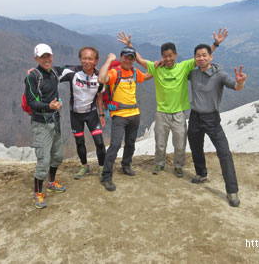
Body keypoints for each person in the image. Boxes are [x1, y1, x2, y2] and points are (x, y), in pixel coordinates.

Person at [118, 29, 228, 177]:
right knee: (160, 143)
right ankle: (159, 163)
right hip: (162, 112)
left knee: (180, 144)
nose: (168, 59)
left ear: (175, 55)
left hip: (179, 113)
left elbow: (202, 57)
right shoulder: (157, 68)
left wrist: (215, 44)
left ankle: (178, 165)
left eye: (170, 56)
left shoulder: (183, 67)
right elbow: (140, 60)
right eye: (165, 56)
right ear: (162, 57)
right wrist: (130, 45)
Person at [187, 44, 246, 207]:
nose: (201, 58)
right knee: (195, 146)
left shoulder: (219, 74)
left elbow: (234, 85)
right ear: (194, 58)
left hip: (212, 118)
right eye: (198, 55)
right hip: (194, 116)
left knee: (224, 152)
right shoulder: (192, 73)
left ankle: (232, 191)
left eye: (204, 55)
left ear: (211, 57)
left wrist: (240, 83)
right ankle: (201, 174)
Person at [98, 46, 152, 191]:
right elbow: (102, 78)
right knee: (115, 145)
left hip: (134, 114)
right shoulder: (115, 72)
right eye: (126, 57)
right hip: (119, 116)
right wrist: (109, 60)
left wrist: (158, 67)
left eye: (131, 58)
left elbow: (147, 76)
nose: (128, 60)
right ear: (121, 57)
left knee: (130, 143)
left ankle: (126, 165)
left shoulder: (134, 72)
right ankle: (107, 176)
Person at [24, 43, 66, 209]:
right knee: (44, 161)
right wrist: (49, 106)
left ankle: (51, 181)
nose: (46, 59)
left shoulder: (54, 72)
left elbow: (74, 68)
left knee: (57, 156)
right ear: (36, 59)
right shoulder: (33, 77)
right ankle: (38, 193)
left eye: (48, 56)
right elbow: (31, 101)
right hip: (41, 124)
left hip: (55, 121)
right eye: (42, 57)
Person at [59, 47, 106, 180]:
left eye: (90, 59)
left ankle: (102, 167)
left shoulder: (99, 77)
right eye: (84, 58)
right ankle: (84, 166)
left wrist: (101, 114)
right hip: (75, 115)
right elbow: (52, 71)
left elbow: (99, 97)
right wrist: (36, 72)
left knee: (100, 142)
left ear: (96, 61)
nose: (87, 61)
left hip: (92, 114)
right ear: (80, 59)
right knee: (79, 142)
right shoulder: (72, 72)